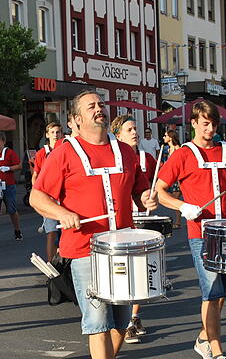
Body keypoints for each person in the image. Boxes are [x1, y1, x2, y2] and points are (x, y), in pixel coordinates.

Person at [30, 91, 157, 359]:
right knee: (97, 323)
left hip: (123, 248)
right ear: (76, 118)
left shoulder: (125, 151)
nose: (99, 109)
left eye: (101, 104)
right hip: (84, 250)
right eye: (91, 107)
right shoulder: (64, 153)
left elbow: (139, 190)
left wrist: (146, 197)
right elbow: (37, 196)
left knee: (121, 323)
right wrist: (61, 212)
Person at [155, 99, 226, 359]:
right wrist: (182, 206)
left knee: (222, 293)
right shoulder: (183, 154)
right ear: (194, 123)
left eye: (214, 124)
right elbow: (160, 191)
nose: (210, 129)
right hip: (202, 233)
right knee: (210, 292)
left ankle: (202, 337)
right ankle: (216, 350)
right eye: (205, 124)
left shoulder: (224, 151)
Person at [111, 114, 157, 344]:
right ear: (118, 135)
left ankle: (133, 318)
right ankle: (121, 321)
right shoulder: (112, 155)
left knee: (139, 272)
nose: (135, 133)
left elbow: (151, 183)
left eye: (135, 129)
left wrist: (150, 196)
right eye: (129, 130)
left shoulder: (146, 157)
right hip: (120, 221)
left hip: (142, 217)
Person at [31, 121, 64, 261]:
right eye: (52, 132)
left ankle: (65, 262)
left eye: (58, 132)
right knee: (51, 232)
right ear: (47, 134)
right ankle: (51, 264)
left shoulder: (66, 149)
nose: (55, 135)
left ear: (62, 134)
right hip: (49, 198)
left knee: (66, 232)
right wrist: (39, 195)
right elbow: (35, 176)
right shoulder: (41, 153)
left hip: (64, 197)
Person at [162, 129, 183, 228]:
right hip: (169, 179)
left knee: (175, 200)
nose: (163, 137)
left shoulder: (178, 149)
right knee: (171, 199)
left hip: (177, 180)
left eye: (165, 135)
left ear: (170, 137)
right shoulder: (167, 149)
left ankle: (178, 222)